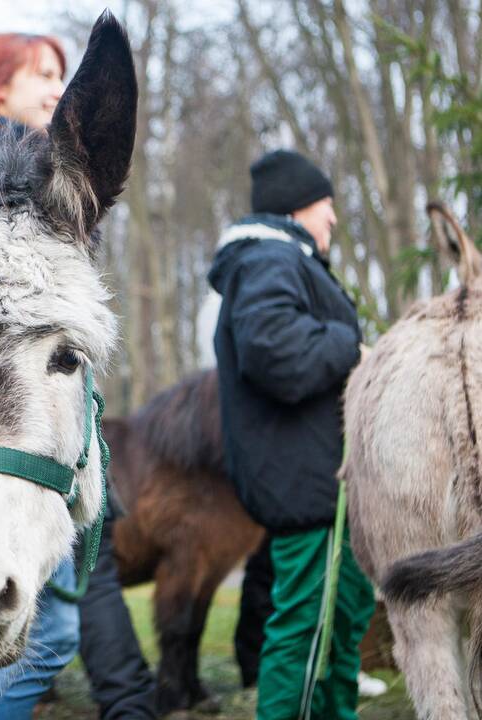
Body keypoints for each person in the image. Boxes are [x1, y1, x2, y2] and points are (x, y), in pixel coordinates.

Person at [0, 32, 157, 720]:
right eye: (43, 75)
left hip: (56, 445)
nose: (57, 89)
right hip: (4, 458)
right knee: (51, 628)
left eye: (65, 75)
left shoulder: (52, 186)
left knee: (54, 620)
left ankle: (129, 701)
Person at [208, 149, 376, 720]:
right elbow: (275, 352)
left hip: (325, 489)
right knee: (306, 633)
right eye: (326, 206)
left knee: (339, 625)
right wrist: (351, 346)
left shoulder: (282, 261)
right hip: (309, 489)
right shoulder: (271, 259)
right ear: (297, 208)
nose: (333, 219)